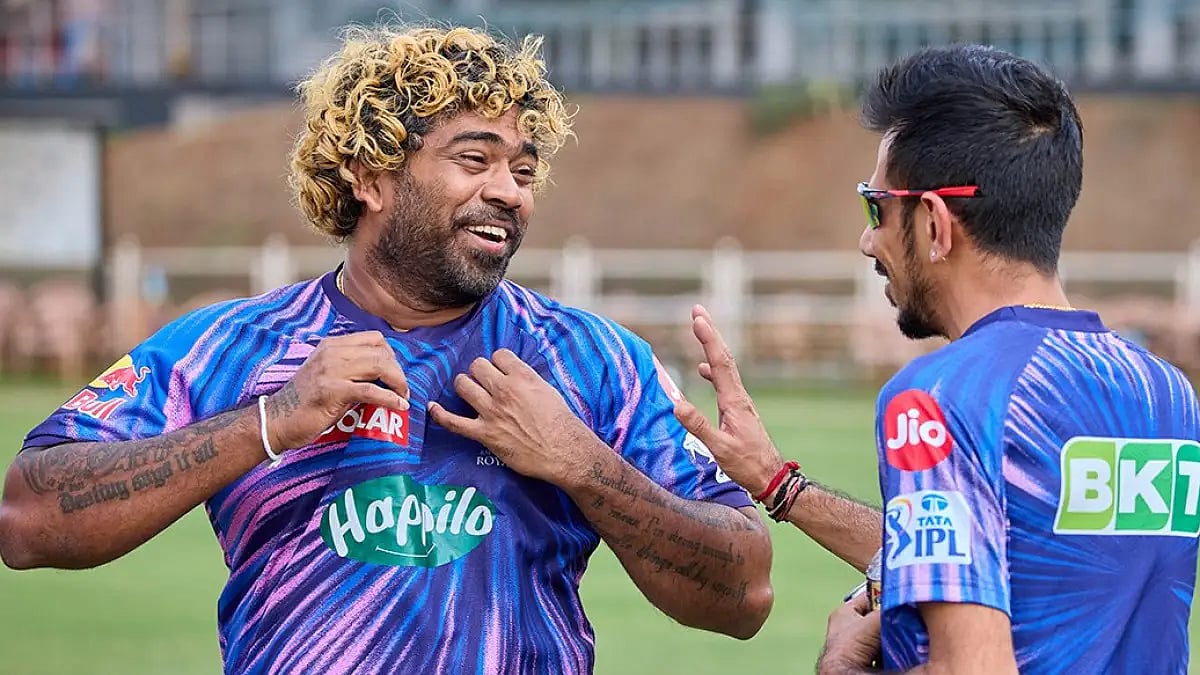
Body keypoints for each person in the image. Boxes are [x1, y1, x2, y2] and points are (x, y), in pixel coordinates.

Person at [0, 25, 774, 674]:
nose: (510, 190)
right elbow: (28, 515)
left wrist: (581, 462)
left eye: (524, 169)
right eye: (474, 160)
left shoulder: (589, 359)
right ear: (372, 176)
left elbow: (744, 593)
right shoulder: (235, 347)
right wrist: (267, 421)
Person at [675, 44, 1200, 674]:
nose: (868, 239)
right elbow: (1003, 561)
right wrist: (779, 484)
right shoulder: (1166, 396)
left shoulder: (938, 397)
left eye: (877, 206)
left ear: (934, 222)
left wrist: (842, 666)